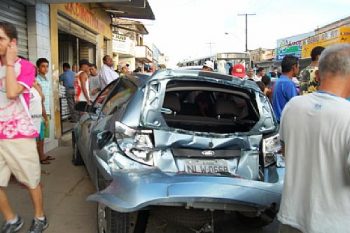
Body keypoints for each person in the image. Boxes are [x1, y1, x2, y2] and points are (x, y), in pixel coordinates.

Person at [278, 44, 350, 233]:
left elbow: (286, 152)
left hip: (290, 219)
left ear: (318, 74)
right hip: (334, 225)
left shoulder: (293, 106)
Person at [0, 21, 48, 233]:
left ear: (13, 42)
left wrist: (9, 64)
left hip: (19, 133)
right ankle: (12, 219)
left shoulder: (26, 67)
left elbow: (11, 92)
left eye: (0, 39)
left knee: (31, 179)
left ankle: (40, 217)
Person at [35, 58, 54, 162]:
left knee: (42, 136)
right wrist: (44, 115)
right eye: (43, 66)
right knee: (39, 136)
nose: (45, 68)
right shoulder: (36, 80)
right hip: (40, 111)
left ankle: (42, 155)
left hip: (46, 110)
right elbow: (40, 99)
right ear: (38, 68)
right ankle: (41, 157)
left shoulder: (46, 79)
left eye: (47, 66)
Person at [272, 55, 299, 122]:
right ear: (293, 68)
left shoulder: (278, 81)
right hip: (284, 122)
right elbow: (295, 106)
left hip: (277, 120)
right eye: (298, 66)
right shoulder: (288, 83)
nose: (299, 68)